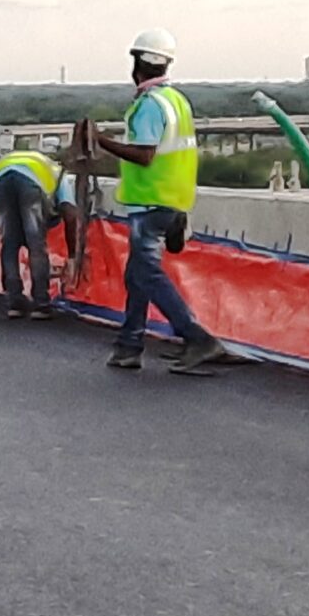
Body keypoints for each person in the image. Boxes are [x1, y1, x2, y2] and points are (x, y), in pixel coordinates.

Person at [86, 29, 233, 374]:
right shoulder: (177, 100)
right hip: (172, 201)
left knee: (147, 274)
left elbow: (145, 155)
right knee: (137, 275)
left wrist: (100, 140)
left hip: (150, 202)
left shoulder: (149, 106)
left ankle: (196, 338)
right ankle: (129, 346)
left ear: (136, 63)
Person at [0, 146, 73, 318]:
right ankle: (41, 303)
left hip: (0, 178)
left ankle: (14, 303)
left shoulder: (40, 165)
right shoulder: (59, 176)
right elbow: (71, 215)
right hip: (29, 185)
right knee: (36, 244)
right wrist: (72, 255)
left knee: (9, 243)